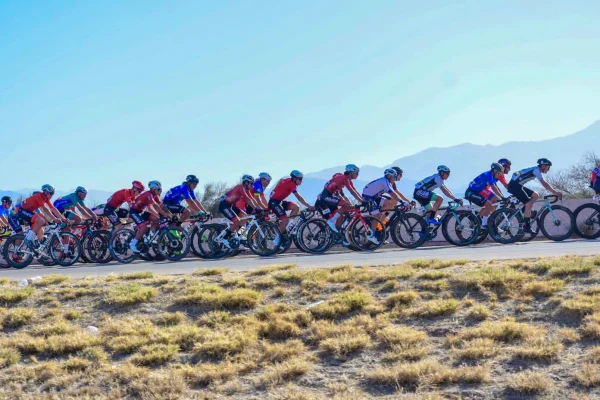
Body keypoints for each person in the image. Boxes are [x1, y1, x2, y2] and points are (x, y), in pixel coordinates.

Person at [507, 158, 563, 233]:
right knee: (529, 203)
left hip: (518, 185)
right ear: (543, 166)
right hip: (514, 186)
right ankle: (526, 226)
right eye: (548, 167)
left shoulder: (536, 170)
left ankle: (525, 211)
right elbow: (544, 183)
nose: (548, 169)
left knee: (535, 195)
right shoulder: (536, 170)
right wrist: (555, 193)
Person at [7, 185, 68, 249]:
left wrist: (63, 218)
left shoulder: (45, 199)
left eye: (52, 194)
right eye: (51, 194)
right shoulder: (39, 196)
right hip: (18, 213)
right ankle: (28, 240)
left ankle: (36, 248)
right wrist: (54, 219)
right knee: (39, 222)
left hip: (25, 212)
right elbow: (45, 209)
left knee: (40, 227)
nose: (51, 196)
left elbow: (53, 209)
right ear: (46, 192)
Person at [218, 175, 261, 249]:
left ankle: (238, 236)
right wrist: (256, 208)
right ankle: (224, 238)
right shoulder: (240, 187)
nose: (252, 185)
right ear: (246, 182)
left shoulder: (246, 189)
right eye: (251, 183)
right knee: (237, 221)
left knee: (244, 216)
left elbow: (252, 199)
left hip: (230, 206)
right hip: (224, 205)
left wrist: (258, 208)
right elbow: (247, 199)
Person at [129, 181, 173, 253]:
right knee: (144, 228)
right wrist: (165, 214)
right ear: (153, 189)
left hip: (141, 212)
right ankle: (133, 244)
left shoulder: (155, 195)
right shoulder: (148, 194)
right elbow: (156, 206)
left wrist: (170, 213)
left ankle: (149, 236)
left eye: (160, 189)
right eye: (158, 189)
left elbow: (162, 206)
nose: (160, 191)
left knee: (157, 219)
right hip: (134, 212)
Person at [321, 164, 364, 234]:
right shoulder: (345, 178)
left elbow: (355, 190)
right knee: (346, 205)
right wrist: (361, 201)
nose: (358, 175)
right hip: (326, 196)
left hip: (331, 195)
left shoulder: (348, 180)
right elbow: (352, 192)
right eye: (357, 173)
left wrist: (363, 200)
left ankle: (338, 232)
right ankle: (331, 221)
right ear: (351, 173)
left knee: (347, 208)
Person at [269, 170, 315, 234]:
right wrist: (309, 206)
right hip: (274, 202)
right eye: (300, 179)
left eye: (302, 179)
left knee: (296, 207)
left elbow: (281, 179)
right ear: (294, 178)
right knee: (285, 221)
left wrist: (274, 190)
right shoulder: (292, 184)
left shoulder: (287, 179)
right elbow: (299, 197)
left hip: (279, 201)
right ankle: (276, 240)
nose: (301, 181)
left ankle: (288, 226)